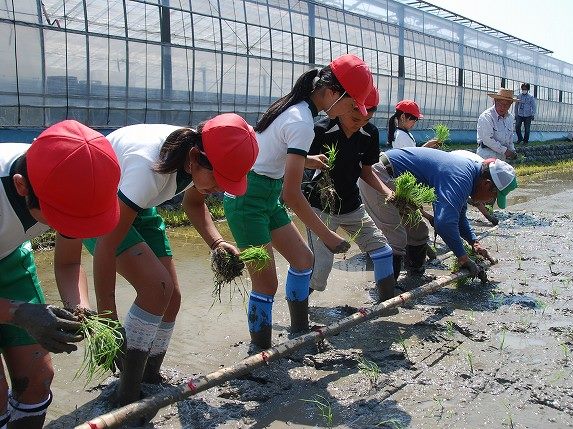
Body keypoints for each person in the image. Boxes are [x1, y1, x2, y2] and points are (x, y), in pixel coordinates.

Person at [86, 114, 258, 407]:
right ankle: (126, 394)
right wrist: (108, 322)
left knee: (172, 298)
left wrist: (216, 242)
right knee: (156, 290)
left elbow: (193, 202)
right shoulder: (149, 169)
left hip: (140, 205)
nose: (219, 188)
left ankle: (149, 377)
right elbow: (106, 246)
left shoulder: (195, 152)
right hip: (98, 203)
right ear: (194, 158)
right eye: (218, 178)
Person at [223, 54, 374, 350]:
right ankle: (261, 350)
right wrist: (327, 235)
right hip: (248, 199)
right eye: (350, 103)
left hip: (266, 192)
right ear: (331, 93)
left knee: (304, 261)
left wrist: (307, 159)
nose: (350, 110)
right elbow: (292, 194)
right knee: (266, 283)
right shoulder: (302, 121)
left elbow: (272, 149)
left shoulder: (296, 109)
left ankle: (299, 331)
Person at [0, 120, 121, 428]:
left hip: (9, 256)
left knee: (39, 376)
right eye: (61, 219)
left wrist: (80, 305)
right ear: (21, 186)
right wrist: (17, 312)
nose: (68, 230)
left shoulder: (69, 178)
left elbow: (68, 262)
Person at [359, 147, 517, 280]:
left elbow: (459, 217)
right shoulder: (461, 176)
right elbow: (444, 224)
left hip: (397, 183)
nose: (490, 201)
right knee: (396, 239)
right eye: (493, 197)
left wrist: (474, 242)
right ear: (486, 184)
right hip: (379, 176)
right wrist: (462, 257)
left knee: (418, 231)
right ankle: (387, 292)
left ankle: (415, 277)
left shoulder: (469, 175)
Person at [304, 87, 396, 301]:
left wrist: (387, 192)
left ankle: (386, 306)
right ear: (343, 107)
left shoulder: (370, 133)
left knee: (383, 250)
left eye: (365, 120)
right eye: (355, 118)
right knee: (320, 267)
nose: (359, 125)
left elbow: (366, 172)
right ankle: (298, 314)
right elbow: (299, 167)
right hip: (321, 207)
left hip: (352, 205)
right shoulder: (320, 130)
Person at [476, 88, 518, 161]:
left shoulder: (510, 118)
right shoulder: (487, 116)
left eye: (506, 105)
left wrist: (512, 150)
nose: (503, 107)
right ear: (495, 101)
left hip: (502, 157)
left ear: (511, 104)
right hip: (487, 156)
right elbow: (487, 140)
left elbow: (510, 139)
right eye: (500, 104)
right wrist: (505, 151)